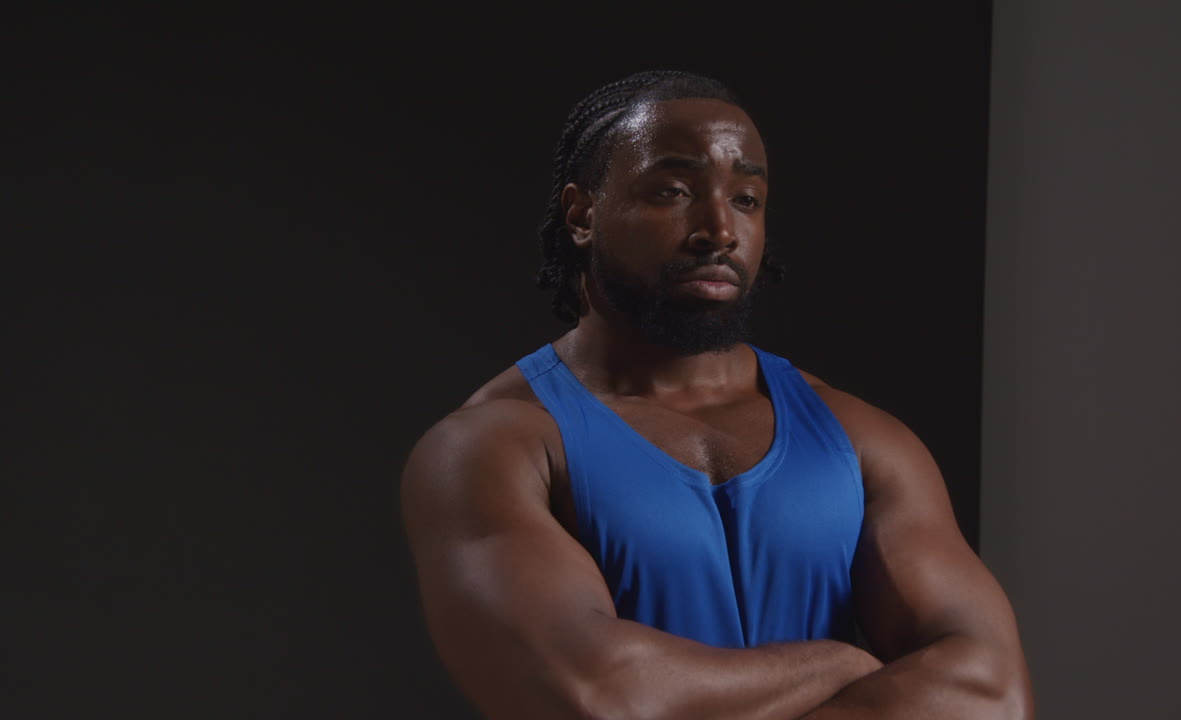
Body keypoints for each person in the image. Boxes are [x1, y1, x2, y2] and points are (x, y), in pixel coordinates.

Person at [401, 70, 1033, 720]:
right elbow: (596, 698)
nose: (719, 229)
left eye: (747, 199)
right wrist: (838, 663)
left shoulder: (860, 437)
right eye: (673, 191)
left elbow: (991, 694)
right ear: (582, 214)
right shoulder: (492, 449)